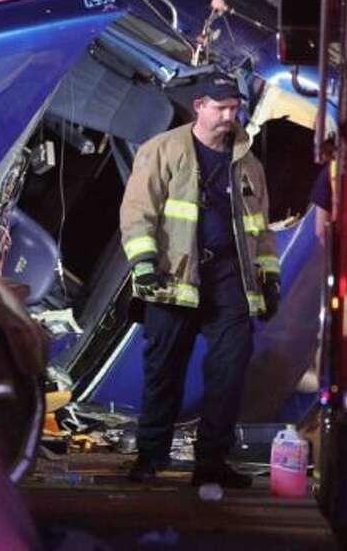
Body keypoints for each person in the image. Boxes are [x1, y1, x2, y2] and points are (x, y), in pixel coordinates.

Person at [119, 72, 280, 489]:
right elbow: (138, 213)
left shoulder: (249, 165)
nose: (230, 116)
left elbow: (260, 229)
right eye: (221, 107)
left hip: (229, 279)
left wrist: (270, 278)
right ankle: (151, 457)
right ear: (200, 106)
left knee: (230, 370)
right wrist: (144, 265)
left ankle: (211, 461)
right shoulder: (163, 151)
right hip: (172, 279)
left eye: (235, 107)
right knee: (163, 372)